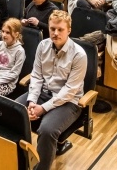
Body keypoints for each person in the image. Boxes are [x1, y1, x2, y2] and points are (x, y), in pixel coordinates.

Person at [16, 10, 87, 170]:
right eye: (52, 28)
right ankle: (19, 161)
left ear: (69, 30)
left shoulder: (79, 55)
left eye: (60, 29)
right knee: (14, 111)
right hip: (42, 94)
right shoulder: (43, 45)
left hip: (69, 102)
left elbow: (69, 91)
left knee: (47, 130)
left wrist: (43, 108)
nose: (55, 33)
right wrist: (32, 101)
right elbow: (36, 76)